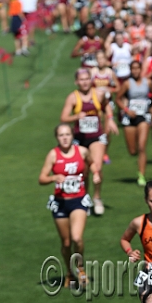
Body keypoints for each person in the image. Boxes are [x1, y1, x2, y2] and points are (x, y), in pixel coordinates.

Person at [38, 123, 98, 287]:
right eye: (61, 135)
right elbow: (41, 178)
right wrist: (53, 178)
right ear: (57, 138)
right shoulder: (53, 155)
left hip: (78, 200)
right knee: (66, 243)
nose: (64, 138)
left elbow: (92, 163)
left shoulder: (82, 151)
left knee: (77, 238)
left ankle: (80, 268)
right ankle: (69, 272)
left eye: (67, 135)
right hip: (60, 202)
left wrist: (96, 174)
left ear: (72, 136)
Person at [60, 68, 119, 215]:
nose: (85, 82)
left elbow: (106, 106)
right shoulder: (73, 98)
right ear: (76, 82)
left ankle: (97, 197)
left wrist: (110, 120)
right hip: (79, 139)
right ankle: (84, 198)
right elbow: (64, 118)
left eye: (87, 79)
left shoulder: (98, 94)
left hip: (96, 137)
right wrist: (75, 117)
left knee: (97, 167)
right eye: (82, 79)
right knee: (84, 172)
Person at [115, 60, 152, 186]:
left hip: (143, 116)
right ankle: (138, 160)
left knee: (142, 147)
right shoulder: (127, 84)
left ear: (141, 69)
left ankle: (141, 175)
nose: (136, 71)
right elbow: (118, 99)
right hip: (130, 118)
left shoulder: (147, 82)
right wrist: (126, 110)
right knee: (133, 151)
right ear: (130, 70)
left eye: (138, 68)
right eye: (133, 69)